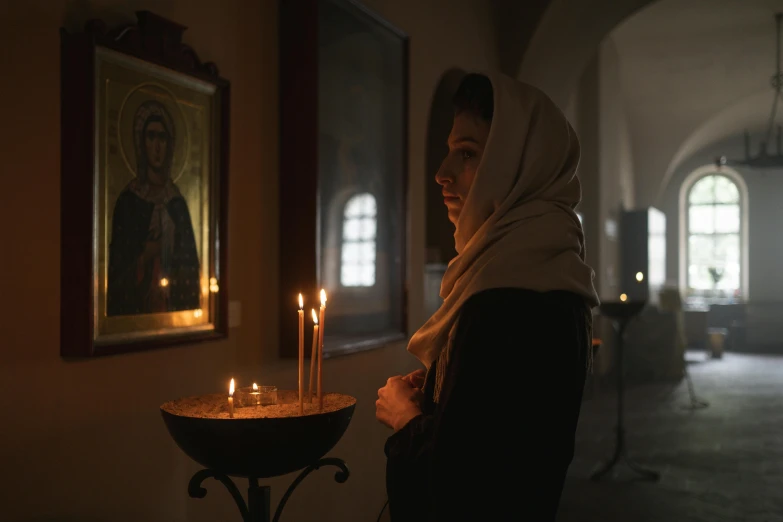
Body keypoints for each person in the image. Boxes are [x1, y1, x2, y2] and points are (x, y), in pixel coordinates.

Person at [375, 71, 600, 521]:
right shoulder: (544, 271)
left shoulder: (508, 296)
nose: (442, 174)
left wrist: (406, 420)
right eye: (450, 152)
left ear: (520, 166)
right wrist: (444, 396)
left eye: (468, 154)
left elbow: (467, 485)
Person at [107, 99, 201, 316]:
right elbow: (116, 272)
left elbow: (190, 270)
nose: (157, 146)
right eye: (151, 136)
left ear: (169, 144)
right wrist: (147, 253)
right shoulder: (128, 202)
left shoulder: (177, 205)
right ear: (141, 142)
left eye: (162, 137)